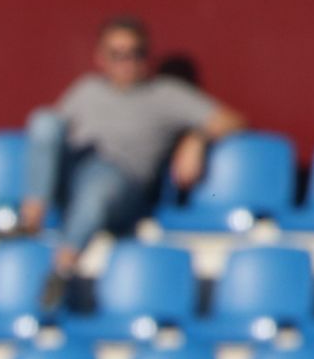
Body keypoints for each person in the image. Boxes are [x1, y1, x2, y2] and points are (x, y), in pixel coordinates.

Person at [20, 15, 245, 277]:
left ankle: (62, 268)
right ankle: (30, 220)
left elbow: (233, 120)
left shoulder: (167, 94)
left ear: (147, 56)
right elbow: (50, 140)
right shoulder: (87, 89)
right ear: (100, 57)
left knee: (99, 183)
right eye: (116, 54)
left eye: (135, 53)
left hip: (122, 186)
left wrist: (195, 139)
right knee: (44, 120)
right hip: (75, 176)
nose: (126, 62)